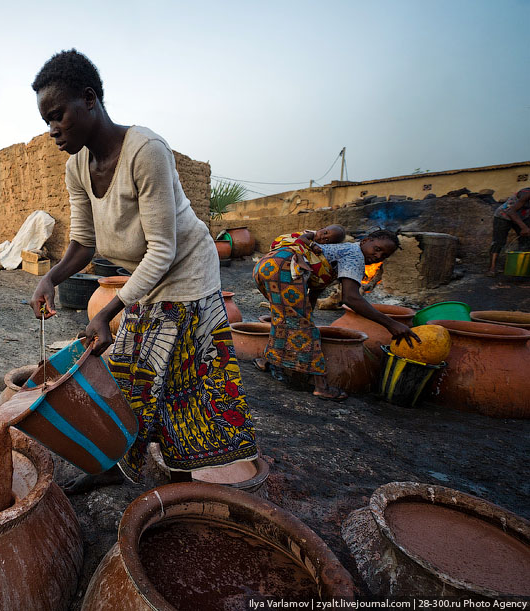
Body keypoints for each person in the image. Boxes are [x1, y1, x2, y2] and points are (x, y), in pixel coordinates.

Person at [29, 49, 257, 492]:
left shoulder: (145, 151)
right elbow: (84, 242)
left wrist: (107, 311)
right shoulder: (76, 166)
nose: (52, 130)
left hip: (186, 273)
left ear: (90, 99)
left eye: (58, 115)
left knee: (180, 379)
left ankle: (183, 478)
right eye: (46, 121)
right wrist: (51, 277)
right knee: (132, 371)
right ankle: (120, 464)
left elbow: (164, 250)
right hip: (147, 276)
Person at [253, 229, 419, 401]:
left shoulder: (337, 252)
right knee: (303, 326)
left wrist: (306, 315)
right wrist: (391, 324)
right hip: (285, 269)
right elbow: (351, 298)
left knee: (288, 319)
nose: (378, 256)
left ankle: (265, 361)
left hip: (267, 266)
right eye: (377, 249)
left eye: (384, 255)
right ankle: (321, 386)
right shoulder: (355, 255)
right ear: (366, 241)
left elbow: (315, 291)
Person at [488, 187, 530, 276]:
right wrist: (524, 227)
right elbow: (511, 212)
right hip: (504, 215)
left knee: (526, 240)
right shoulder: (526, 194)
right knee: (498, 241)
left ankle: (521, 267)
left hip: (522, 217)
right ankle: (492, 268)